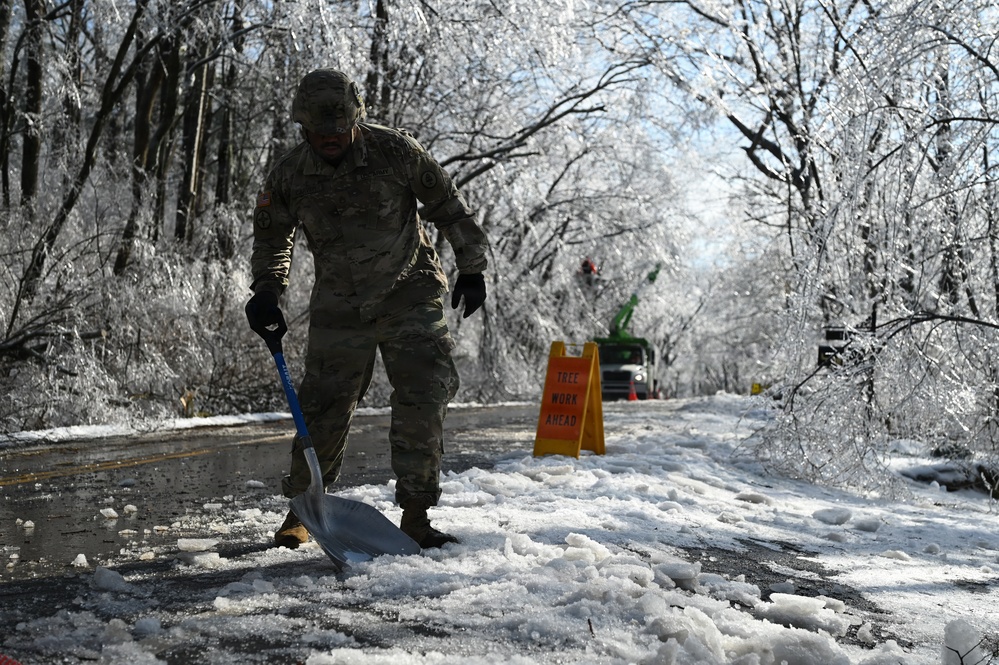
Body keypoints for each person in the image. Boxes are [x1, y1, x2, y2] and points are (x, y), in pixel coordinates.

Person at [244, 69, 488, 549]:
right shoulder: (289, 174)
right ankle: (305, 508)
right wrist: (268, 289)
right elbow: (273, 238)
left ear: (355, 120)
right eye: (320, 133)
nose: (331, 140)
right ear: (303, 127)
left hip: (409, 291)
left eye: (339, 131)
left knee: (423, 397)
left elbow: (447, 205)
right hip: (340, 301)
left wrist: (472, 265)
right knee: (323, 405)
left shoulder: (394, 150)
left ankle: (416, 516)